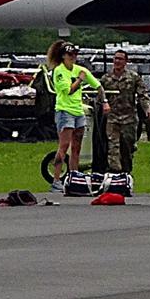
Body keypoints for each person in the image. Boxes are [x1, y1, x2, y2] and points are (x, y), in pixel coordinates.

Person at [44, 41, 106, 191]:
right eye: (70, 54)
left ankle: (74, 177)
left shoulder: (80, 69)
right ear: (64, 56)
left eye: (75, 54)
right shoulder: (59, 71)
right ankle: (57, 180)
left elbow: (97, 85)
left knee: (77, 146)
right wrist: (79, 79)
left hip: (78, 111)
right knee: (64, 146)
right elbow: (68, 91)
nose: (73, 57)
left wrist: (103, 100)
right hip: (65, 111)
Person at [99, 49, 150, 173]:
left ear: (126, 61)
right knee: (113, 148)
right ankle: (115, 174)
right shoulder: (106, 79)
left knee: (128, 148)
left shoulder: (133, 77)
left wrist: (147, 108)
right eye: (115, 58)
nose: (117, 61)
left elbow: (142, 95)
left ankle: (126, 173)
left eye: (120, 59)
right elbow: (99, 96)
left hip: (129, 118)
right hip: (112, 118)